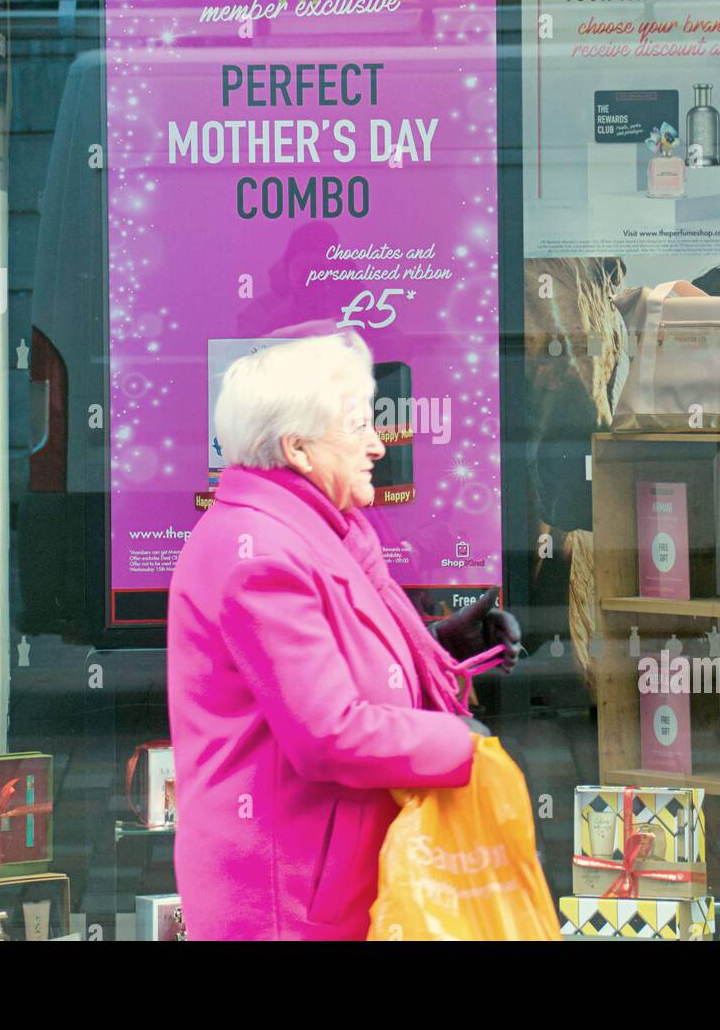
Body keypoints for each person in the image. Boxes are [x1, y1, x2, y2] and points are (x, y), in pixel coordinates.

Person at [166, 332, 523, 940]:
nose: (378, 445)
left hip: (322, 886)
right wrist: (459, 742)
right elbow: (327, 733)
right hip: (289, 904)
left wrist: (440, 648)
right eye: (357, 425)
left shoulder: (308, 532)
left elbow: (333, 666)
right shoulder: (261, 556)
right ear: (298, 448)